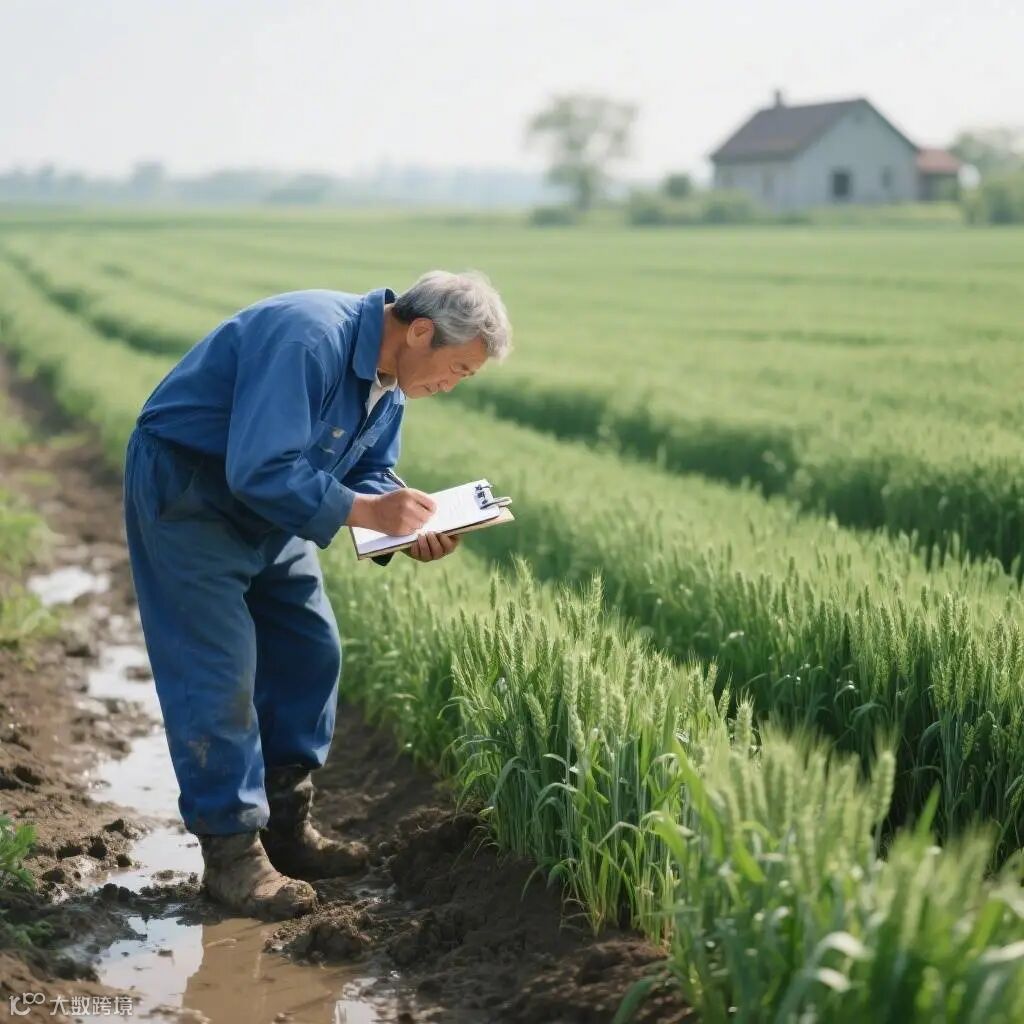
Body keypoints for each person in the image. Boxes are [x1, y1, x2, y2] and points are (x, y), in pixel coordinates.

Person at [122, 271, 512, 919]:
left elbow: (367, 472)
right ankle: (232, 855)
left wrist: (409, 527)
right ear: (420, 331)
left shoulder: (389, 381)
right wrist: (367, 512)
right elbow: (258, 467)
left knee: (310, 650)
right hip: (192, 494)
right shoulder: (310, 338)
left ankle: (286, 826)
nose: (452, 384)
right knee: (218, 671)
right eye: (458, 369)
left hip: (273, 508)